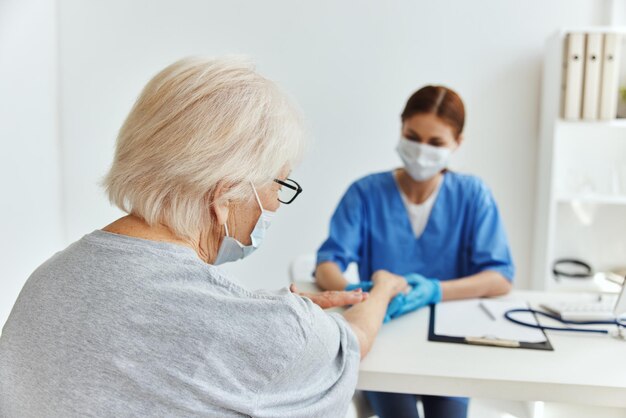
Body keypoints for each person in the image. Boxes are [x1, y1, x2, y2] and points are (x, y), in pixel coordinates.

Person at [0, 57, 410, 418]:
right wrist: (384, 289)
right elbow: (354, 338)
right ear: (225, 196)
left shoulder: (47, 279)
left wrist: (257, 316)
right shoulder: (278, 333)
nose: (277, 204)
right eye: (279, 184)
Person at [315, 85, 515, 418]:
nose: (422, 150)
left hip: (448, 343)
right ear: (401, 127)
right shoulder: (365, 193)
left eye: (436, 143)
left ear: (457, 143)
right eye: (413, 136)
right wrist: (359, 295)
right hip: (382, 337)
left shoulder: (473, 195)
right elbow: (327, 264)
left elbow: (500, 277)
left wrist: (435, 290)